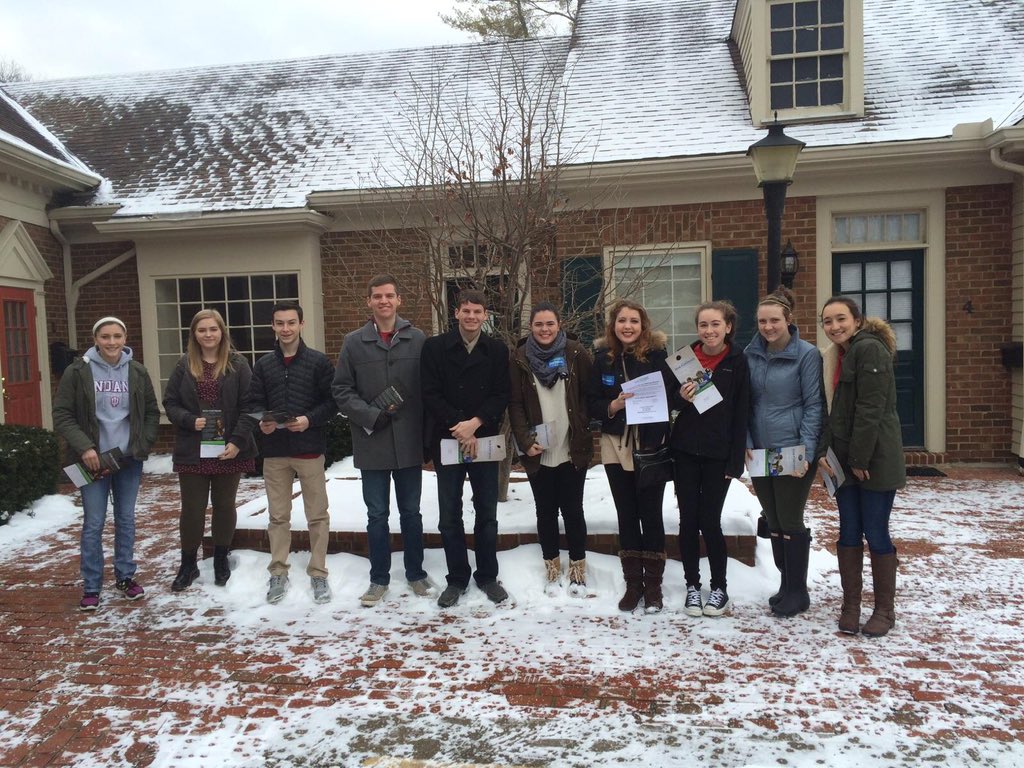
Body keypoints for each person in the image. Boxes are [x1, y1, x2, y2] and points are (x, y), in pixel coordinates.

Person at [332, 274, 433, 607]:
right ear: (369, 301)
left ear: (399, 299)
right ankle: (379, 579)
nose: (384, 301)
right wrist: (370, 415)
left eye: (389, 295)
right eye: (377, 296)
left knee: (411, 513)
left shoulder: (418, 339)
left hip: (408, 442)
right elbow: (341, 390)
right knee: (377, 515)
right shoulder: (353, 342)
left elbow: (428, 387)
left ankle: (416, 574)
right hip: (372, 441)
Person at [53, 316, 159, 611]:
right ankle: (91, 585)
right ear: (95, 339)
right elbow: (62, 414)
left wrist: (143, 443)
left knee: (126, 519)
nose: (111, 342)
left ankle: (125, 577)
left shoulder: (137, 371)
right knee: (94, 522)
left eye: (117, 336)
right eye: (105, 336)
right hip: (91, 461)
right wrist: (85, 447)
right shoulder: (77, 371)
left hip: (127, 459)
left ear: (125, 339)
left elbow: (151, 412)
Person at [819, 296, 905, 637]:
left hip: (873, 459)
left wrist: (859, 459)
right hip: (845, 459)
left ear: (857, 320)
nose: (834, 326)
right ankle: (851, 606)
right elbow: (833, 409)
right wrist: (826, 451)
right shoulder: (836, 355)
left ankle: (884, 610)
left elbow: (871, 407)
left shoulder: (869, 349)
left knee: (875, 530)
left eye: (841, 318)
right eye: (827, 321)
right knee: (849, 530)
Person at [421, 289, 510, 609]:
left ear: (485, 316)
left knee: (487, 512)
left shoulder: (497, 350)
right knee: (449, 514)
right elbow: (429, 393)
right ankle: (457, 577)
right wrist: (460, 426)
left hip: (484, 438)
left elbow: (502, 394)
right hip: (448, 438)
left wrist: (475, 423)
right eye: (466, 311)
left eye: (477, 311)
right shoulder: (434, 348)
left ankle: (487, 575)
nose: (471, 316)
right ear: (456, 313)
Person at [248, 301, 337, 605]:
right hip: (275, 451)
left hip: (309, 448)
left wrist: (309, 420)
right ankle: (278, 571)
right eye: (280, 323)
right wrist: (263, 422)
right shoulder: (263, 365)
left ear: (301, 324)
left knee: (317, 515)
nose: (285, 329)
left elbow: (332, 402)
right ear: (272, 326)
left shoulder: (318, 362)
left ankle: (318, 572)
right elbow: (254, 401)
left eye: (291, 322)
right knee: (278, 516)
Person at [162, 309, 256, 592]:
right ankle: (188, 564)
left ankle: (220, 559)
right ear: (194, 334)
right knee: (193, 508)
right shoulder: (184, 364)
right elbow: (170, 403)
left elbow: (250, 406)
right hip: (193, 448)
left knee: (224, 506)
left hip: (228, 447)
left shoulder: (238, 364)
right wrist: (189, 420)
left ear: (221, 331)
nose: (208, 334)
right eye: (202, 330)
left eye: (213, 329)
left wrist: (237, 441)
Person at [588, 299, 672, 613]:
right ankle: (633, 584)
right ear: (613, 325)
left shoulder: (658, 356)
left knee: (650, 514)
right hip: (615, 443)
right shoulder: (602, 359)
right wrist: (613, 406)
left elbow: (672, 397)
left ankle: (654, 587)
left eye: (634, 321)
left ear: (643, 325)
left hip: (649, 445)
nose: (628, 326)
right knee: (626, 513)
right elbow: (591, 402)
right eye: (622, 320)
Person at [745, 286, 823, 618]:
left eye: (774, 320)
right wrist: (747, 442)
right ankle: (785, 584)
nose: (768, 327)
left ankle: (798, 591)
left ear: (788, 319)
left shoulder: (807, 355)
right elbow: (744, 403)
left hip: (792, 450)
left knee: (790, 519)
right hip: (760, 451)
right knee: (774, 518)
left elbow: (814, 405)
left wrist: (806, 451)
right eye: (762, 321)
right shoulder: (749, 354)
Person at [508, 302, 594, 597]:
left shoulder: (575, 353)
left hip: (571, 446)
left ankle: (578, 569)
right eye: (538, 324)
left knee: (573, 510)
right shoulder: (519, 357)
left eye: (550, 324)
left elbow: (589, 393)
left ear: (559, 325)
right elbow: (515, 403)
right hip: (537, 448)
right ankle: (553, 569)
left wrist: (581, 422)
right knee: (545, 511)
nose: (544, 329)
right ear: (531, 327)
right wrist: (524, 440)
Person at [670, 301, 750, 618]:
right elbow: (669, 402)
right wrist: (680, 398)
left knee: (710, 521)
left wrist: (735, 461)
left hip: (719, 454)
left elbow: (742, 411)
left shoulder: (737, 361)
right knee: (688, 520)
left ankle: (719, 588)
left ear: (728, 327)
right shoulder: (684, 359)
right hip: (685, 451)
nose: (709, 330)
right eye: (703, 324)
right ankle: (692, 585)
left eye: (715, 324)